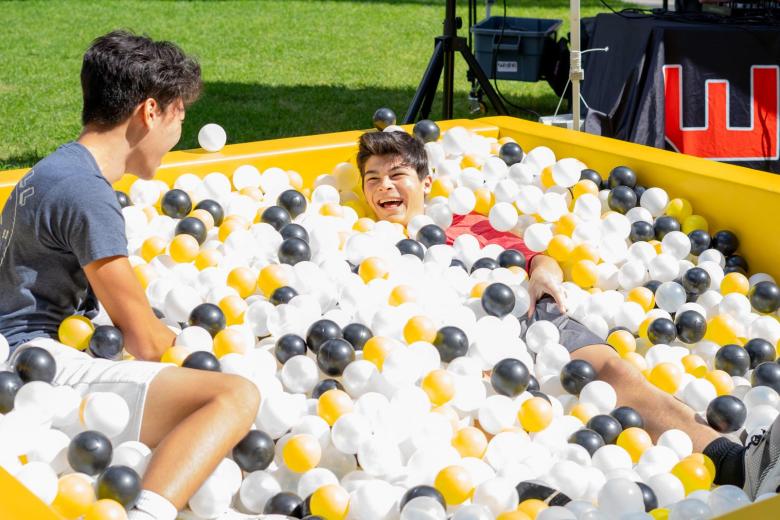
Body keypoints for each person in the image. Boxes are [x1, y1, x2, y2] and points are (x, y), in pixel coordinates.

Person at [356, 130, 780, 499]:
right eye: (373, 178)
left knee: (616, 371)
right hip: (446, 346)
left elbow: (539, 258)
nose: (385, 187)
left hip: (529, 319)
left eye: (397, 175)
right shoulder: (359, 242)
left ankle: (735, 464)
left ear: (425, 182)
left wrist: (544, 276)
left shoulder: (466, 222)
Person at [0, 31, 260, 519]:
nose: (177, 136)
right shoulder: (87, 193)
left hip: (25, 351)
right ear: (150, 112)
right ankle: (146, 512)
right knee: (235, 395)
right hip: (32, 368)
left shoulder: (54, 170)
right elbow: (145, 341)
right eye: (180, 118)